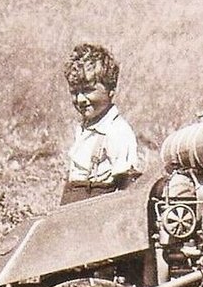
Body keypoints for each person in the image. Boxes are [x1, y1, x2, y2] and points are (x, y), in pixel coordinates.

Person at [60, 43, 142, 205]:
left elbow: (128, 187)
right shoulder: (85, 127)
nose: (81, 99)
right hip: (72, 208)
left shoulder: (116, 131)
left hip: (95, 212)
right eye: (75, 92)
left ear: (111, 89)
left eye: (88, 90)